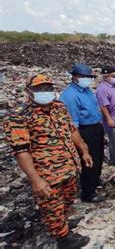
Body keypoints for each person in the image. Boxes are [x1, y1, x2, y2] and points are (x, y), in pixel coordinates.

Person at [3, 74, 92, 247]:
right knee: (52, 206)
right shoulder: (19, 117)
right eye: (39, 89)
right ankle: (63, 239)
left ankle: (62, 223)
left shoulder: (59, 107)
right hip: (47, 173)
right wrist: (35, 179)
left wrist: (84, 151)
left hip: (69, 166)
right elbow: (21, 151)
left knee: (67, 200)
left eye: (48, 88)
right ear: (29, 91)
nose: (45, 92)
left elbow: (71, 131)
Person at [60, 63, 105, 203]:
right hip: (84, 131)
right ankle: (88, 193)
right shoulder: (70, 95)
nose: (87, 79)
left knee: (98, 157)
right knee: (88, 160)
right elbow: (73, 123)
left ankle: (95, 180)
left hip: (95, 127)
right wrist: (81, 142)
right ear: (74, 77)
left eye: (89, 76)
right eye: (83, 76)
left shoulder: (87, 90)